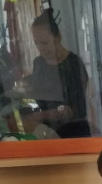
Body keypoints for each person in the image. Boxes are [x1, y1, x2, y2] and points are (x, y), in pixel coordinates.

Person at [19, 8, 90, 138]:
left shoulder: (73, 64)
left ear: (57, 38)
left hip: (73, 133)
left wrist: (42, 116)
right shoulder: (38, 63)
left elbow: (76, 109)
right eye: (36, 43)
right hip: (47, 132)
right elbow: (40, 95)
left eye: (44, 43)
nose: (40, 48)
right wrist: (26, 88)